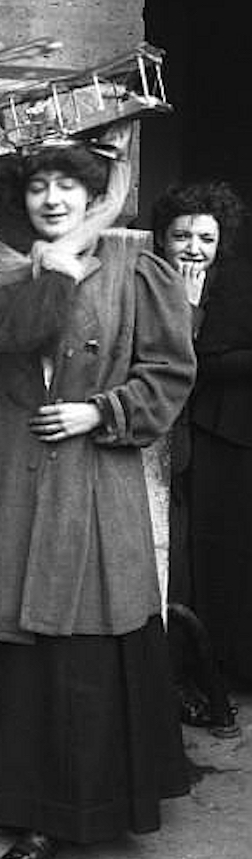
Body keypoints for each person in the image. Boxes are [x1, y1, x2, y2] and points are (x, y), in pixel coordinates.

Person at [0, 125, 196, 859]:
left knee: (80, 645)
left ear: (94, 192)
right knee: (9, 636)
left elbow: (169, 372)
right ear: (19, 194)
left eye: (68, 183)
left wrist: (99, 411)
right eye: (38, 185)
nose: (52, 198)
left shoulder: (135, 267)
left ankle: (73, 809)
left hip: (92, 489)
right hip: (9, 483)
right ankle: (12, 799)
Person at [152, 181, 249, 729]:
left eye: (205, 237)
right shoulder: (145, 280)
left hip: (222, 439)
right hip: (161, 434)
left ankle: (220, 671)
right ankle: (180, 673)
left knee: (221, 557)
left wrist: (206, 353)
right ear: (162, 239)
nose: (193, 247)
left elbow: (194, 362)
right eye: (182, 235)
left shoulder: (238, 289)